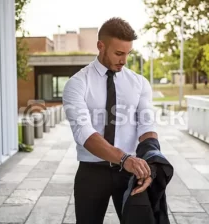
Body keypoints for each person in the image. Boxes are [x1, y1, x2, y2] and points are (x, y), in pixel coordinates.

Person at [62, 17, 158, 224]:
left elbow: (147, 125)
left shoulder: (139, 83)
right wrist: (124, 159)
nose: (124, 60)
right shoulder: (77, 84)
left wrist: (152, 159)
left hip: (130, 172)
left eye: (128, 53)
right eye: (118, 53)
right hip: (92, 172)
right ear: (100, 46)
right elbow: (84, 134)